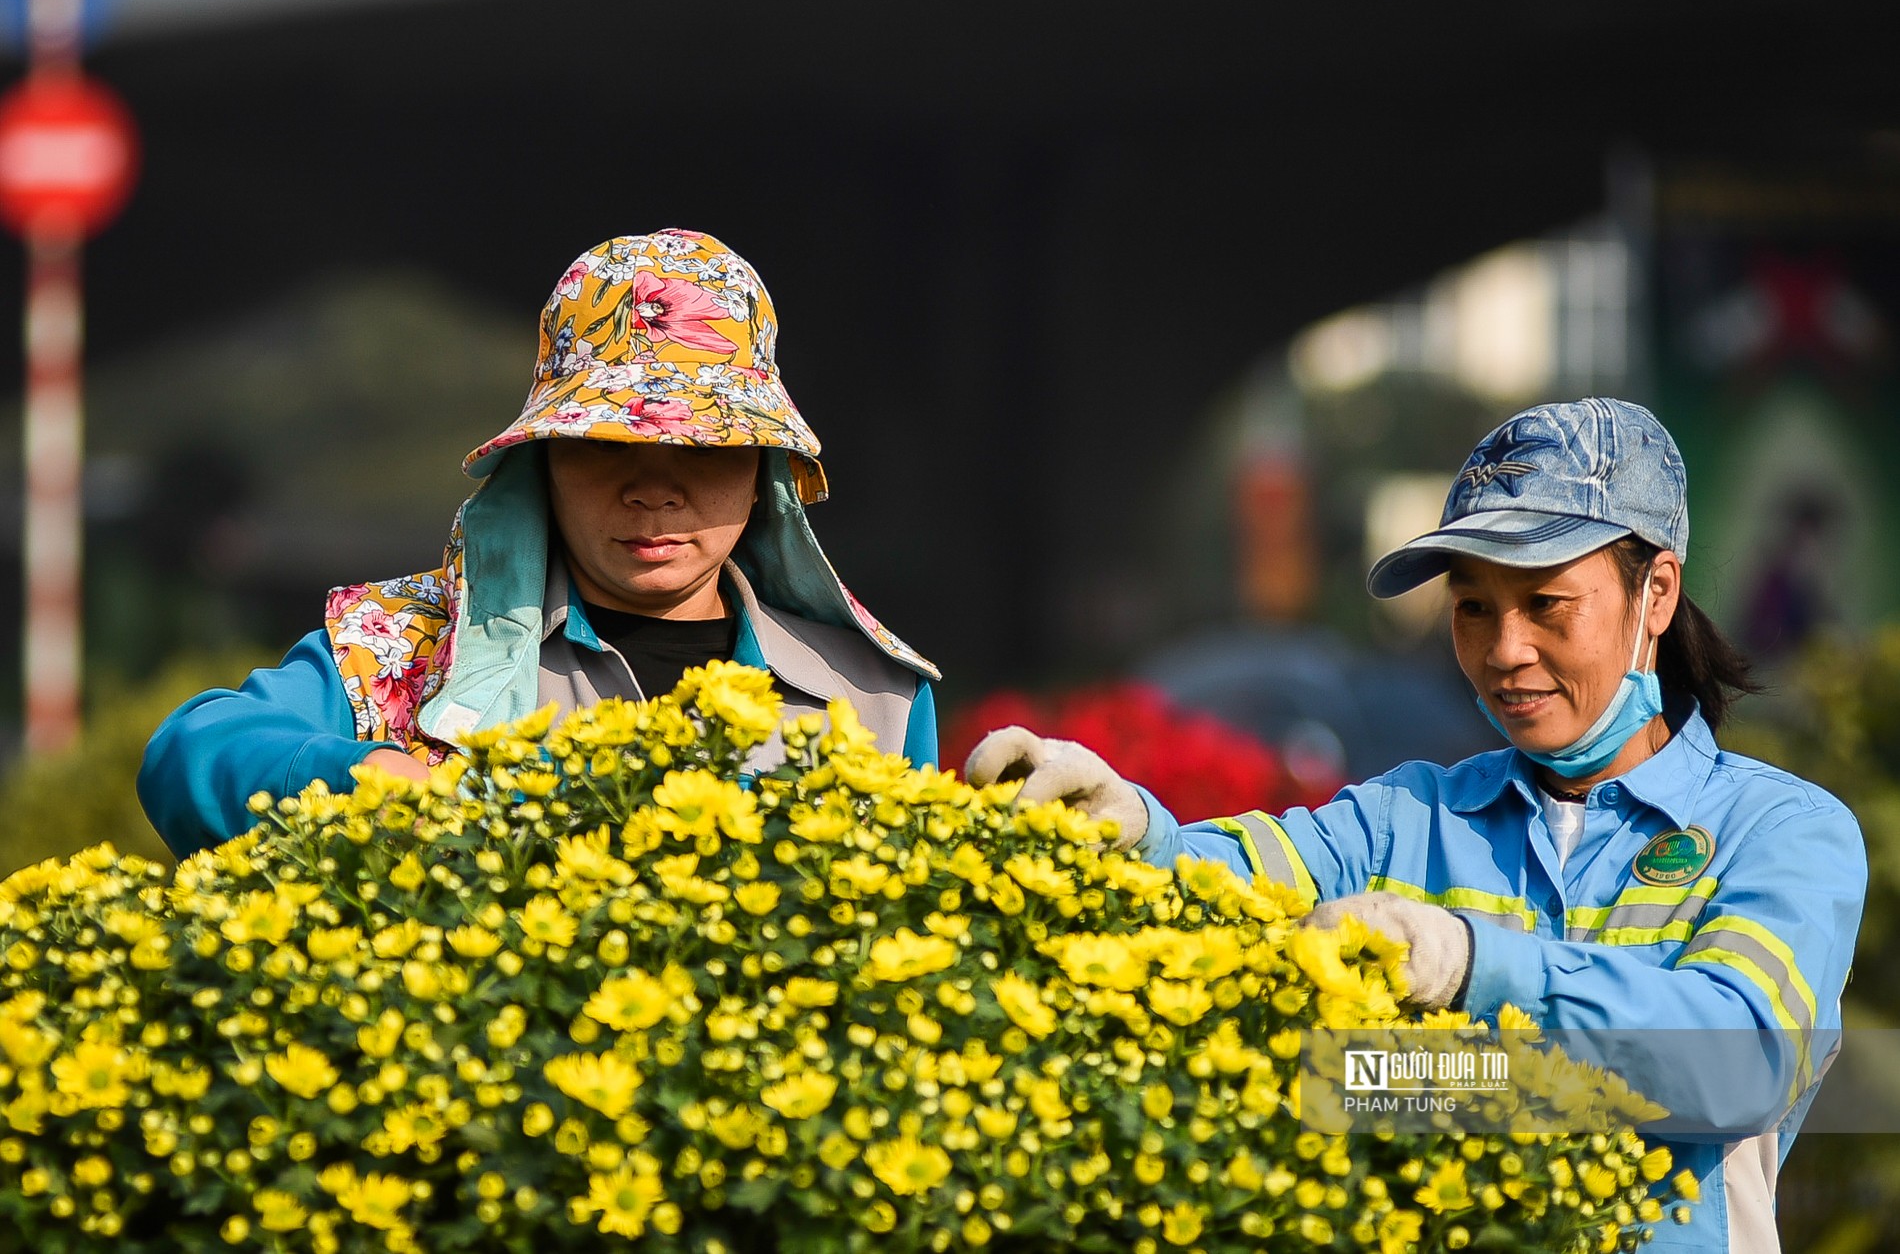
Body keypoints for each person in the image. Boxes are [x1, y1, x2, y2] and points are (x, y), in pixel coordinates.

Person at [967, 398, 1864, 1253]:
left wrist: (1468, 972)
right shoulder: (1408, 815)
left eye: (1547, 604)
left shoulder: (1782, 831)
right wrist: (1131, 832)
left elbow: (1735, 1066)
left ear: (1656, 594)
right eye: (1473, 607)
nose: (1505, 650)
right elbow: (1231, 875)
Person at [141, 229, 939, 858]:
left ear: (765, 469)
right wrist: (363, 782)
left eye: (701, 447)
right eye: (606, 445)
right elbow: (193, 752)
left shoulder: (872, 700)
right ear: (543, 464)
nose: (653, 488)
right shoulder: (400, 649)